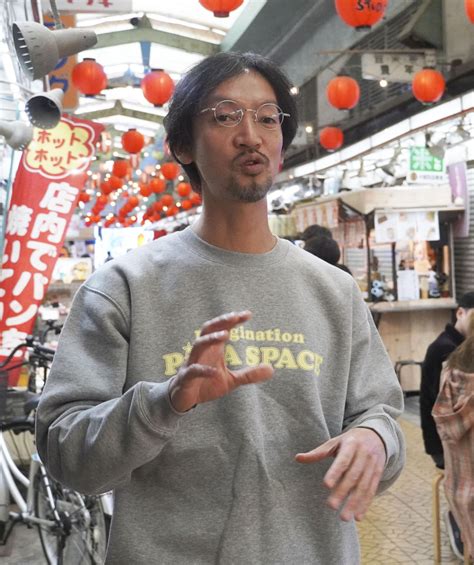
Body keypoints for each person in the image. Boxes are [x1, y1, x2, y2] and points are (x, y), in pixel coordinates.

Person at [36, 51, 405, 565]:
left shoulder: (334, 292)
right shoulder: (122, 288)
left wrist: (375, 438)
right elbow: (65, 454)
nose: (251, 134)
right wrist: (166, 401)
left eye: (267, 117)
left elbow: (382, 413)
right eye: (226, 115)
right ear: (182, 145)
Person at [420, 291, 474, 558]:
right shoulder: (448, 352)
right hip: (448, 449)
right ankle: (459, 522)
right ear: (459, 313)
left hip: (451, 448)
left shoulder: (449, 350)